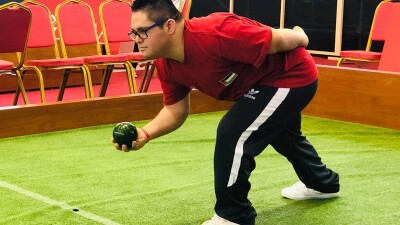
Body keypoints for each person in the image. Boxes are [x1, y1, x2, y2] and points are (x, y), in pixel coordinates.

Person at [113, 0, 340, 224]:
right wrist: (146, 133)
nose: (137, 41)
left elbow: (279, 40)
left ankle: (234, 215)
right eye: (133, 33)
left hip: (291, 76)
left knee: (232, 133)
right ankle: (323, 184)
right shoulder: (166, 63)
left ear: (169, 26)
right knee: (284, 137)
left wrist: (302, 35)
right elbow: (175, 110)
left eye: (143, 32)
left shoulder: (217, 33)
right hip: (258, 85)